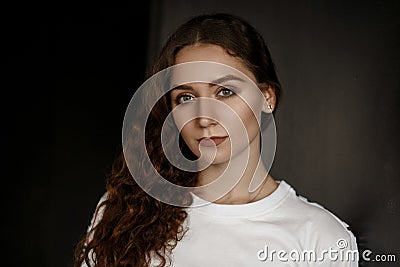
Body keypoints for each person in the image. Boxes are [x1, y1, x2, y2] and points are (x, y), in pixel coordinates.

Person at [74, 13, 359, 267]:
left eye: (225, 92)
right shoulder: (126, 212)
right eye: (186, 97)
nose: (204, 118)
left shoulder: (319, 237)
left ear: (266, 98)